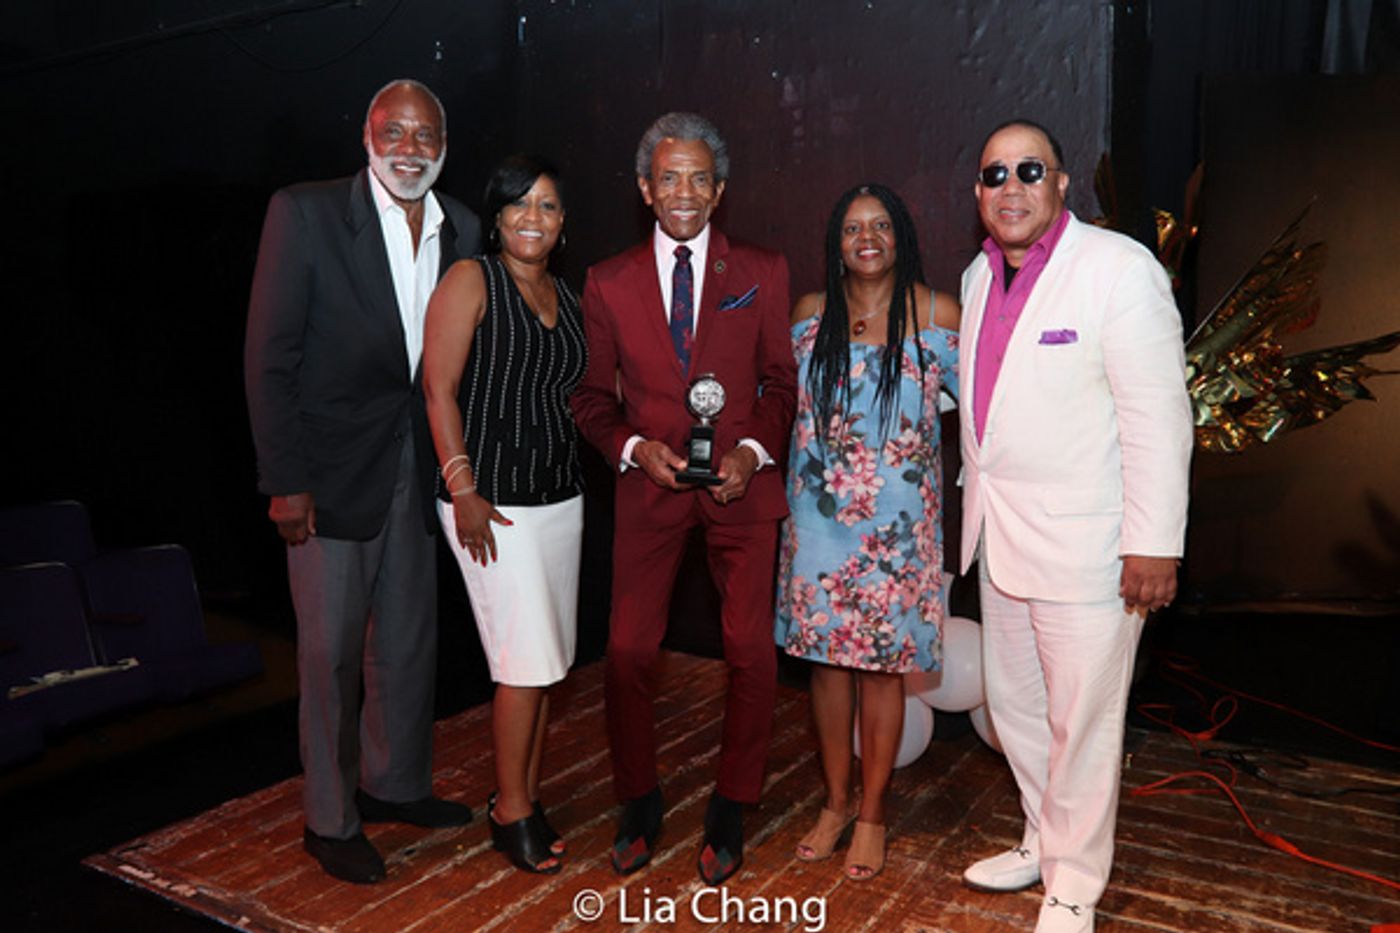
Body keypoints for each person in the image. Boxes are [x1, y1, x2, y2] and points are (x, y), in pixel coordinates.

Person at [957, 119, 1192, 933]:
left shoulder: (1119, 270)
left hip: (1092, 552)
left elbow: (1159, 417)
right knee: (1017, 709)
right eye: (994, 174)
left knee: (1082, 722)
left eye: (1030, 169)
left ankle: (1074, 885)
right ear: (978, 193)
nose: (1010, 186)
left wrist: (1154, 542)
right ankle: (1040, 837)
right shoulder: (977, 278)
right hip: (1000, 539)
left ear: (1061, 184)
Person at [244, 79, 480, 885]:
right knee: (331, 655)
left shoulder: (466, 229)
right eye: (395, 131)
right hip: (328, 477)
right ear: (368, 136)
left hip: (420, 472)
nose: (410, 147)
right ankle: (330, 817)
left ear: (444, 145)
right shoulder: (304, 213)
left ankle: (397, 783)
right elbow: (268, 358)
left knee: (410, 645)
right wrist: (285, 479)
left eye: (426, 134)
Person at [570, 112, 796, 886]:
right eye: (670, 176)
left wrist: (752, 451)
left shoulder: (762, 269)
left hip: (742, 485)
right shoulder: (606, 281)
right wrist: (636, 450)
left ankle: (732, 802)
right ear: (645, 188)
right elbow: (594, 400)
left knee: (749, 650)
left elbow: (781, 384)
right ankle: (638, 796)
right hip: (651, 489)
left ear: (720, 188)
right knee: (629, 650)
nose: (685, 192)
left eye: (701, 177)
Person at [775, 183, 959, 881]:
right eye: (853, 228)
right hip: (818, 528)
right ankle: (836, 801)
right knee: (826, 667)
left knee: (883, 671)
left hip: (897, 536)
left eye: (880, 224)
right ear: (836, 242)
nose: (867, 237)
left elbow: (990, 411)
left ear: (901, 234)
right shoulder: (808, 315)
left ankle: (875, 812)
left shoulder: (937, 314)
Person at [421, 155, 586, 875]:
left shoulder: (570, 296)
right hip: (493, 505)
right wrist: (462, 488)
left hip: (561, 501)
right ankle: (510, 809)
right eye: (520, 204)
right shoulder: (470, 279)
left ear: (561, 225)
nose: (533, 217)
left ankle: (525, 791)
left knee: (547, 663)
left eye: (548, 206)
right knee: (521, 663)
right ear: (496, 216)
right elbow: (438, 388)